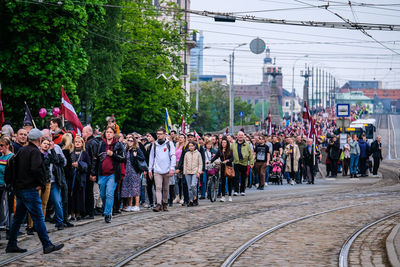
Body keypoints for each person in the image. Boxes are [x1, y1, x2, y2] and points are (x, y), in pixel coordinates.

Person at [5, 128, 64, 254]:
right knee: (38, 217)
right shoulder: (34, 152)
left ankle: (11, 244)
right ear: (39, 139)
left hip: (20, 189)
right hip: (29, 189)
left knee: (18, 218)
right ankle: (47, 244)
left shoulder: (21, 151)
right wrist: (41, 183)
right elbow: (36, 169)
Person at [94, 126, 126, 223]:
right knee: (102, 194)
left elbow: (123, 158)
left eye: (110, 132)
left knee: (109, 194)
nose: (108, 134)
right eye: (107, 132)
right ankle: (107, 208)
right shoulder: (101, 144)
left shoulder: (118, 145)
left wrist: (113, 155)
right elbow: (96, 159)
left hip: (113, 173)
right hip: (101, 174)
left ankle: (108, 214)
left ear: (113, 134)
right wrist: (93, 172)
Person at [26, 137, 52, 235]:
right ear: (40, 144)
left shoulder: (49, 155)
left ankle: (41, 225)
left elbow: (58, 161)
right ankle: (31, 225)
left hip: (47, 181)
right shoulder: (36, 154)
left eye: (48, 144)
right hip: (37, 182)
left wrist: (52, 150)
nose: (46, 145)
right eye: (44, 143)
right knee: (34, 203)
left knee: (44, 204)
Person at [148, 128, 176, 212]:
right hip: (157, 170)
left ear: (164, 134)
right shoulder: (155, 145)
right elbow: (151, 157)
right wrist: (150, 169)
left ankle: (165, 203)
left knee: (166, 188)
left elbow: (173, 156)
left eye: (160, 134)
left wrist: (172, 168)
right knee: (158, 187)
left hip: (167, 169)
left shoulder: (169, 144)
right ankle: (158, 204)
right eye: (157, 134)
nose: (158, 135)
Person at [121, 136, 144, 212]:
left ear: (134, 142)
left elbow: (142, 158)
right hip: (127, 171)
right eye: (129, 140)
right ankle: (130, 205)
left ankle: (137, 205)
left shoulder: (136, 149)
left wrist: (136, 156)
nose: (130, 142)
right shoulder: (126, 149)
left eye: (131, 141)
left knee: (135, 188)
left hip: (134, 171)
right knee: (128, 188)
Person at [69, 136, 90, 220]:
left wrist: (80, 165)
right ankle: (71, 213)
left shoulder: (85, 153)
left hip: (81, 177)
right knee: (72, 195)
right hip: (72, 176)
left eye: (79, 142)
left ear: (82, 143)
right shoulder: (71, 152)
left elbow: (88, 164)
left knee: (80, 195)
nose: (77, 143)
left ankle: (78, 213)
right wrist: (71, 165)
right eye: (76, 142)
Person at [82, 125, 100, 219]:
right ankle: (87, 211)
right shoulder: (88, 142)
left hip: (90, 171)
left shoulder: (92, 143)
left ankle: (90, 212)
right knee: (88, 192)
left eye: (83, 132)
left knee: (90, 192)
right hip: (87, 171)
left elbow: (94, 159)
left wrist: (93, 173)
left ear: (88, 132)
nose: (82, 133)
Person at [231, 131, 254, 196]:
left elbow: (250, 154)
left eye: (242, 135)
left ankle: (242, 190)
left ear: (243, 136)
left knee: (243, 177)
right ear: (237, 136)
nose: (240, 137)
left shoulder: (247, 144)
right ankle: (236, 190)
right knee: (236, 177)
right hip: (236, 162)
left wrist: (251, 163)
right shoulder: (234, 144)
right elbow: (230, 152)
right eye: (239, 135)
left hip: (244, 163)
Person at [211, 137, 234, 202]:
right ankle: (223, 196)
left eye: (225, 142)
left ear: (227, 143)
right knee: (223, 181)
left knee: (229, 182)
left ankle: (229, 195)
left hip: (229, 167)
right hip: (222, 167)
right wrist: (210, 161)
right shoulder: (220, 150)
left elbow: (232, 158)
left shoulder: (230, 150)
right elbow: (215, 157)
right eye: (222, 142)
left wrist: (227, 160)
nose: (223, 144)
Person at [0, 137, 14, 230]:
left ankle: (10, 229)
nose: (0, 147)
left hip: (7, 186)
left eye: (1, 145)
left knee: (8, 208)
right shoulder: (1, 157)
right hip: (0, 185)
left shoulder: (12, 157)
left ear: (7, 146)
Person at [183, 142, 202, 206]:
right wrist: (184, 172)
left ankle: (195, 197)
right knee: (189, 187)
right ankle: (191, 200)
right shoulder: (186, 154)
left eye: (192, 146)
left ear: (194, 146)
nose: (191, 147)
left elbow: (200, 163)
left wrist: (199, 171)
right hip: (188, 172)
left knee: (193, 185)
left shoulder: (198, 153)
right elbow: (185, 163)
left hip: (195, 171)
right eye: (189, 146)